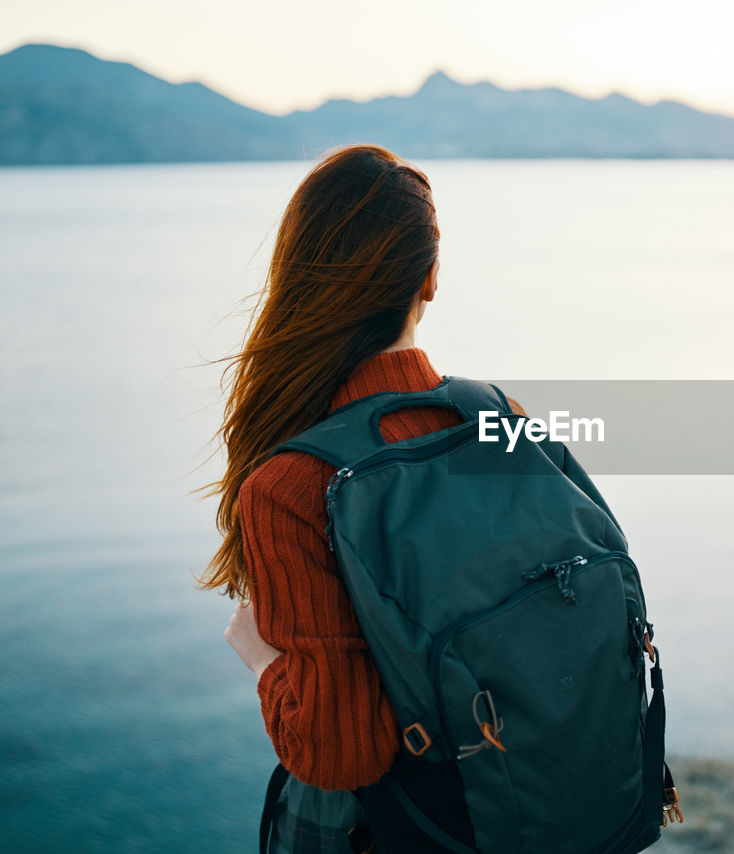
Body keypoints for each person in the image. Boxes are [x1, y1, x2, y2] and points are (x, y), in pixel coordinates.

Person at [204, 144, 524, 847]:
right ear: (431, 278)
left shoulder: (289, 487)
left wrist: (264, 662)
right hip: (527, 797)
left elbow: (341, 753)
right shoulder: (500, 418)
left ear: (295, 279)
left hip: (402, 825)